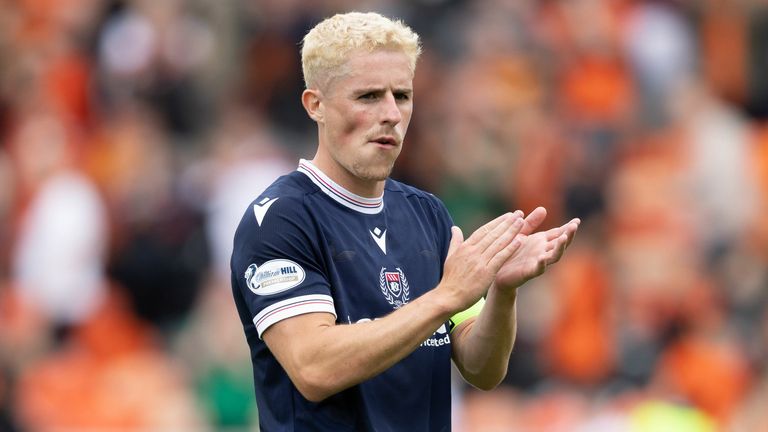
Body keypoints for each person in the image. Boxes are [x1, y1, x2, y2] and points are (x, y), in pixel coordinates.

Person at [230, 11, 580, 431]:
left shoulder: (428, 214)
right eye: (369, 96)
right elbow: (314, 368)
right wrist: (445, 297)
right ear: (316, 105)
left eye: (403, 95)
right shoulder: (281, 219)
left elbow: (481, 369)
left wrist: (503, 291)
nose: (392, 114)